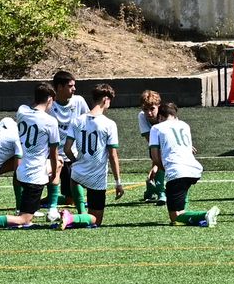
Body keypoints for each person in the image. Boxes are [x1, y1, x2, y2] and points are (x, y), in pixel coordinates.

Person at [0, 88, 61, 229]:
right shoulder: (51, 121)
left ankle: (40, 209)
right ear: (50, 99)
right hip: (35, 175)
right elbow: (53, 153)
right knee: (25, 220)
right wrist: (54, 175)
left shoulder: (22, 110)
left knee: (25, 215)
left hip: (21, 172)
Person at [56, 83, 124, 229]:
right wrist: (118, 182)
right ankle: (71, 217)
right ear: (105, 99)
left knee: (87, 216)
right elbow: (113, 155)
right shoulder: (109, 124)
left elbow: (67, 149)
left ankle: (76, 217)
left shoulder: (77, 120)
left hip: (77, 174)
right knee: (96, 220)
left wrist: (76, 162)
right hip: (97, 177)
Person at [147, 101, 220, 228]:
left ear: (161, 117)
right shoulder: (184, 125)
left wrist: (163, 168)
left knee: (175, 217)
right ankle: (195, 217)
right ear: (175, 115)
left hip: (177, 171)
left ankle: (205, 215)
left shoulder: (156, 128)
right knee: (180, 199)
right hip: (194, 168)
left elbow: (155, 156)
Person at [46, 69, 90, 216]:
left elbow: (88, 122)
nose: (74, 89)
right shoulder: (49, 105)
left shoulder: (79, 101)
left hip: (73, 155)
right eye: (70, 86)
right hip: (53, 155)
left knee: (70, 199)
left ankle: (52, 200)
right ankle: (49, 203)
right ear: (59, 87)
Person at [137, 89, 165, 205]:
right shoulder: (142, 116)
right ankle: (160, 191)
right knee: (159, 165)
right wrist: (155, 164)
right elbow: (151, 141)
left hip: (167, 143)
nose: (149, 113)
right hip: (154, 144)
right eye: (145, 109)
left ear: (159, 106)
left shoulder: (165, 114)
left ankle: (152, 187)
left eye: (152, 109)